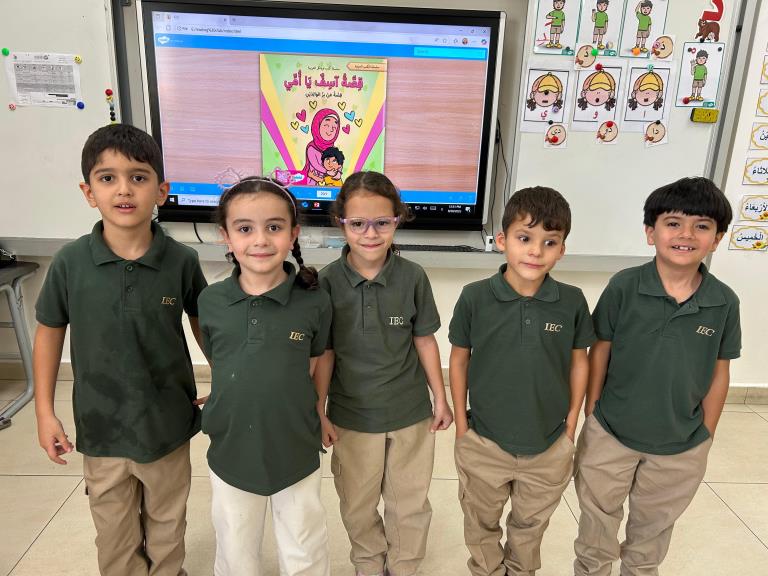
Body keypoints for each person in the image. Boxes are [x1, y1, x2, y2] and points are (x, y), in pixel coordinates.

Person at [34, 123, 207, 576]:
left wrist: (226, 380)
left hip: (167, 425)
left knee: (167, 528)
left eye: (139, 177)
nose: (124, 189)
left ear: (161, 191)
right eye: (107, 178)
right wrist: (45, 412)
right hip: (101, 428)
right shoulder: (70, 262)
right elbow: (49, 332)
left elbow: (204, 323)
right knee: (114, 535)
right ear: (88, 192)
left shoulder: (182, 260)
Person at [573, 177, 741, 576]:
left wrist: (706, 432)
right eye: (673, 223)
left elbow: (720, 370)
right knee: (596, 529)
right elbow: (601, 348)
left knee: (650, 538)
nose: (686, 235)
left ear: (717, 239)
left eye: (702, 226)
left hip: (680, 445)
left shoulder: (723, 302)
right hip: (611, 432)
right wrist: (593, 411)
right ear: (651, 232)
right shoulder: (624, 286)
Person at [449, 187, 595, 576]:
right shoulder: (474, 297)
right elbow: (459, 359)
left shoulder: (572, 301)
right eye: (525, 238)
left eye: (550, 242)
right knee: (479, 523)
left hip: (548, 444)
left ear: (562, 250)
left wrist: (570, 425)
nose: (535, 251)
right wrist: (462, 427)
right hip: (484, 441)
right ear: (502, 240)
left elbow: (579, 362)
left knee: (530, 527)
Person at [314, 171, 453, 576]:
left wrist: (440, 398)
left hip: (410, 414)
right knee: (357, 503)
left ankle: (404, 566)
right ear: (341, 223)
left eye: (382, 222)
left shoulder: (413, 277)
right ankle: (369, 564)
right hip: (352, 417)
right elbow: (325, 353)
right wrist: (318, 410)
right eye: (358, 223)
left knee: (409, 502)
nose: (370, 234)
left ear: (397, 220)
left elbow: (424, 340)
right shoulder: (327, 282)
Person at [198, 177, 332, 576]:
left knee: (304, 547)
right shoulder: (211, 301)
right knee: (235, 546)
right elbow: (223, 360)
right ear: (225, 236)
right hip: (231, 447)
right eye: (245, 228)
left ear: (294, 234)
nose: (260, 240)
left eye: (274, 227)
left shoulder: (315, 301)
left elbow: (317, 361)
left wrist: (319, 412)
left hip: (295, 445)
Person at [303, 108, 341, 184]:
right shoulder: (312, 147)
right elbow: (316, 165)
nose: (331, 130)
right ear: (317, 126)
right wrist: (327, 172)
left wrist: (338, 172)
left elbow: (339, 163)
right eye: (326, 126)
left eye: (334, 128)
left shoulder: (333, 149)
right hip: (313, 181)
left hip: (330, 183)